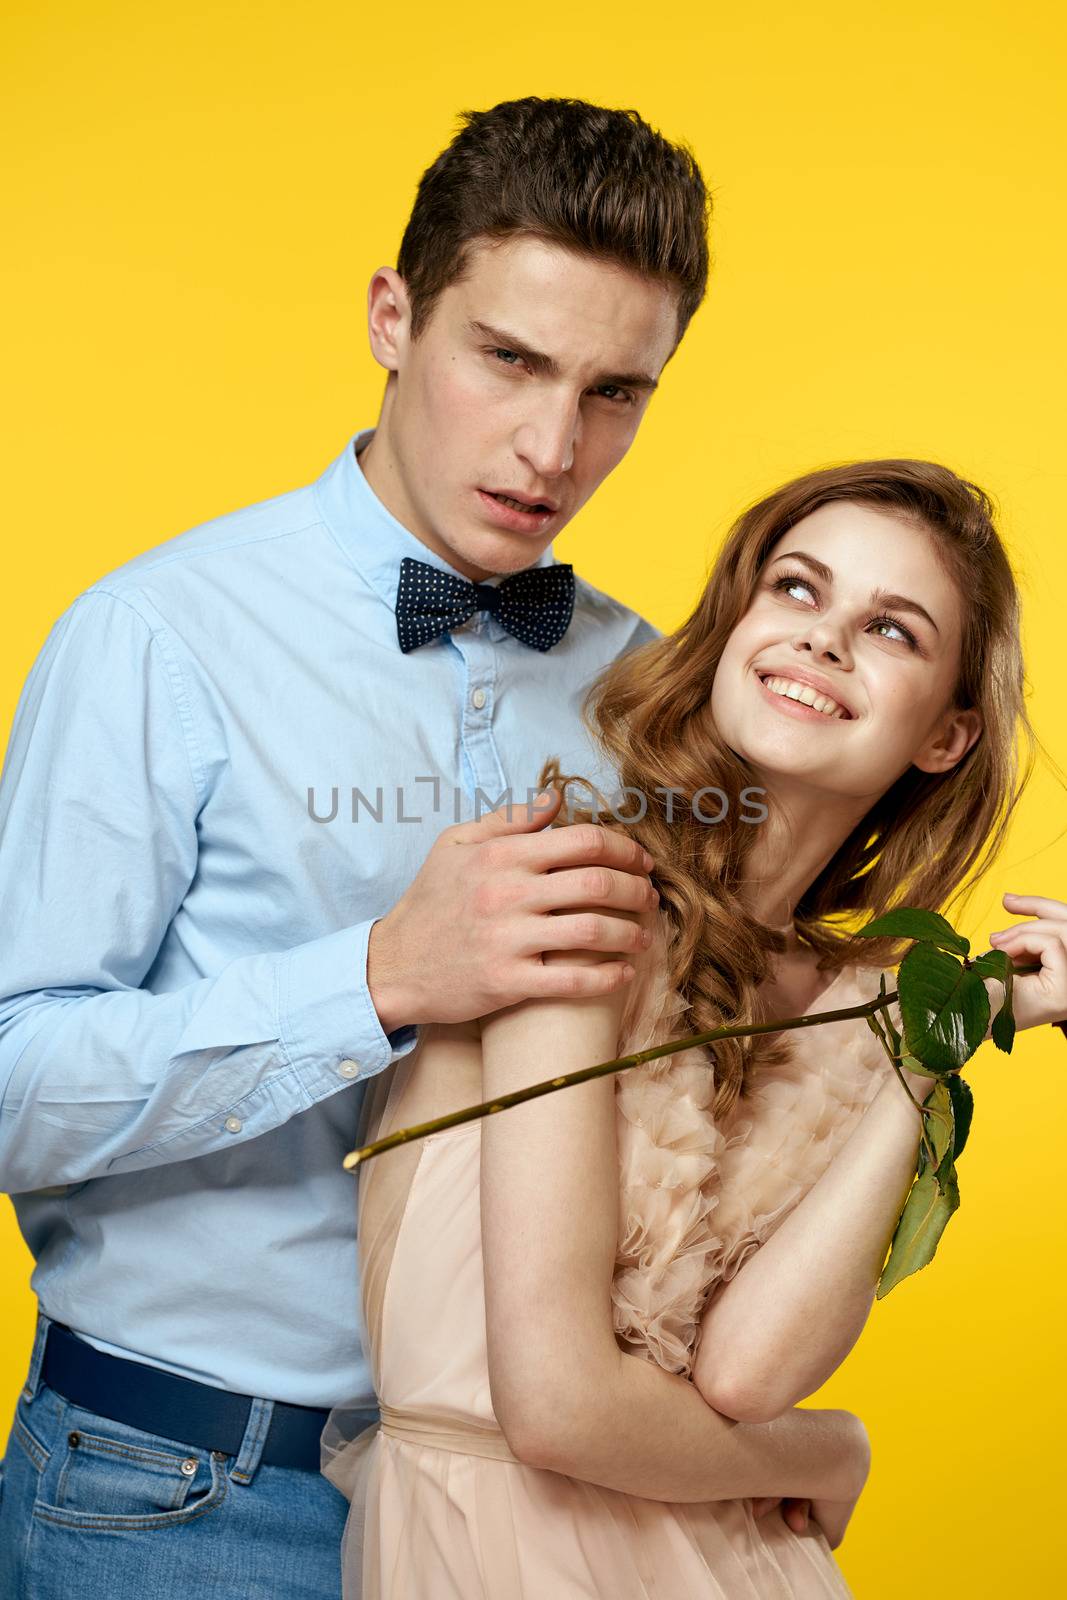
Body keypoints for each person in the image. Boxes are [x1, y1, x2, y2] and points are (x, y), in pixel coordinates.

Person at [0, 98, 710, 1598]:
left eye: (611, 393)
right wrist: (381, 976)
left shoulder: (647, 694)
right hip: (178, 1495)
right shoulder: (157, 639)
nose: (549, 445)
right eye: (507, 359)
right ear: (394, 317)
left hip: (524, 1510)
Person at [321, 459, 1067, 1597]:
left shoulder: (860, 992)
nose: (822, 640)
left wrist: (934, 1043)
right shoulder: (573, 893)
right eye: (797, 589)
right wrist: (833, 1449)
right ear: (733, 623)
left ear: (946, 738)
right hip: (501, 1551)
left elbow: (747, 1369)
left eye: (891, 630)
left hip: (735, 1562)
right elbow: (558, 1408)